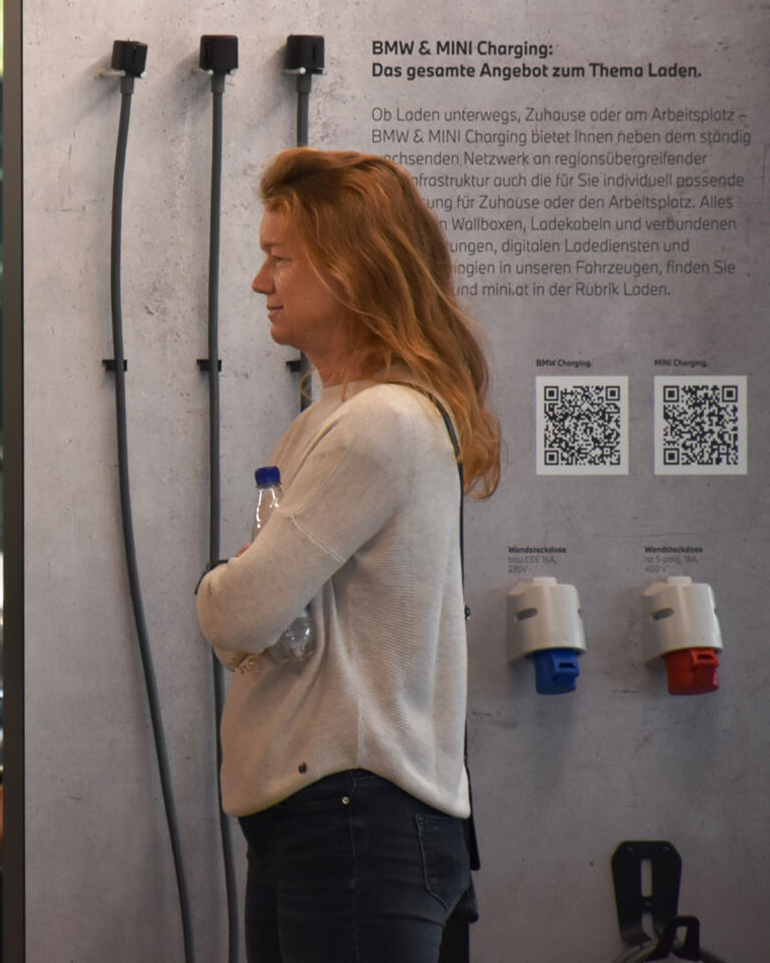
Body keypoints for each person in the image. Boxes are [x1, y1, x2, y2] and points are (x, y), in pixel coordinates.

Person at [194, 148, 501, 962]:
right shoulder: (341, 416)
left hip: (355, 821)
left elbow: (243, 612)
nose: (260, 282)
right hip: (331, 818)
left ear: (352, 269)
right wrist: (244, 592)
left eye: (281, 258)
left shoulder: (379, 423)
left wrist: (218, 588)